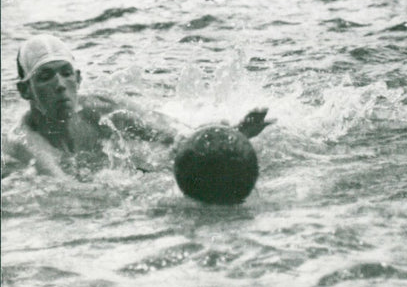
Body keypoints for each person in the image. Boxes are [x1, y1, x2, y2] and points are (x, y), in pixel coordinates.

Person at [2, 34, 273, 178]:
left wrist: (230, 137)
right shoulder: (25, 143)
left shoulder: (102, 110)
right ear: (26, 90)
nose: (60, 84)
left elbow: (175, 137)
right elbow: (63, 192)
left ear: (79, 78)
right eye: (45, 76)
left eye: (66, 72)